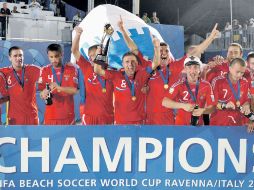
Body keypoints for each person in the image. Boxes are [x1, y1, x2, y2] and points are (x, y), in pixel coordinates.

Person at [94, 37, 161, 125]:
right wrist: (98, 54)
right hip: (121, 123)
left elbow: (155, 63)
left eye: (133, 61)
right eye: (127, 62)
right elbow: (97, 70)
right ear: (122, 64)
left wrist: (156, 47)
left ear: (137, 63)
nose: (130, 64)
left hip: (140, 122)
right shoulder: (116, 75)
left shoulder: (142, 75)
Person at [71, 26, 114, 125]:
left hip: (108, 117)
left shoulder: (112, 72)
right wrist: (78, 35)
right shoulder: (87, 68)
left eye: (93, 55)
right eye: (89, 56)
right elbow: (74, 51)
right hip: (89, 116)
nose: (90, 58)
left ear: (101, 54)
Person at [162, 56, 215, 126]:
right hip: (181, 126)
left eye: (195, 67)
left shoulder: (206, 85)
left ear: (200, 69)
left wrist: (203, 111)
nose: (192, 71)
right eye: (189, 67)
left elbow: (212, 107)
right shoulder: (179, 84)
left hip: (199, 126)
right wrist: (183, 106)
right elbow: (164, 102)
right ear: (185, 69)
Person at [39, 44, 78, 125]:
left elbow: (74, 91)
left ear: (61, 54)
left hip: (67, 116)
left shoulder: (71, 69)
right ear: (48, 56)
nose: (54, 60)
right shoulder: (44, 70)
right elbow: (41, 94)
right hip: (50, 117)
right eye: (51, 57)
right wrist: (44, 93)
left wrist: (58, 87)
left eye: (56, 56)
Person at [0, 46, 41, 125]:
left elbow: (49, 74)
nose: (19, 58)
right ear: (9, 58)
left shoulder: (33, 70)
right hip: (14, 118)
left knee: (34, 137)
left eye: (20, 55)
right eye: (15, 56)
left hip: (32, 116)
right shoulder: (4, 72)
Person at [210, 58, 251, 127]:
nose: (239, 75)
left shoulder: (245, 82)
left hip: (238, 124)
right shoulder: (217, 81)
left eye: (242, 73)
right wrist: (224, 106)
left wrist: (246, 105)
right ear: (230, 68)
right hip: (219, 124)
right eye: (237, 72)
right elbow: (212, 104)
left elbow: (246, 100)